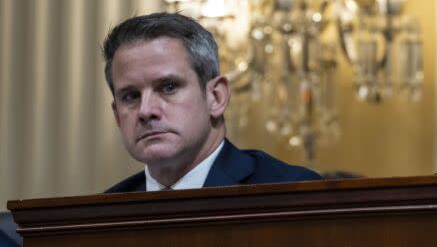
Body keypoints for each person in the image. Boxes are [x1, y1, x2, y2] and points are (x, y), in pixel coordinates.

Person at [102, 12, 321, 192]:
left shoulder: (291, 192)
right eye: (130, 96)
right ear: (117, 116)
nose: (146, 110)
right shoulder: (102, 217)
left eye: (168, 87)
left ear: (216, 97)